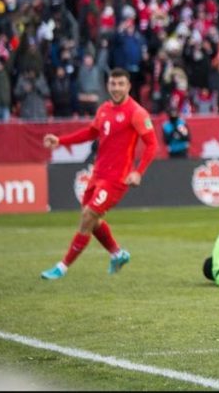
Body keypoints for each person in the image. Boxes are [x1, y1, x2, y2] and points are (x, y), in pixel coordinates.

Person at [40, 68, 158, 280]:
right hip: (98, 174)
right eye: (113, 84)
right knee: (92, 220)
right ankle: (117, 253)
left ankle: (62, 267)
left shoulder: (137, 112)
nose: (116, 88)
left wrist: (138, 172)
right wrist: (61, 141)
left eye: (121, 84)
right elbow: (91, 132)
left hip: (116, 179)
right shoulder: (104, 109)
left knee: (88, 216)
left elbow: (152, 145)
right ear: (108, 85)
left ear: (129, 86)